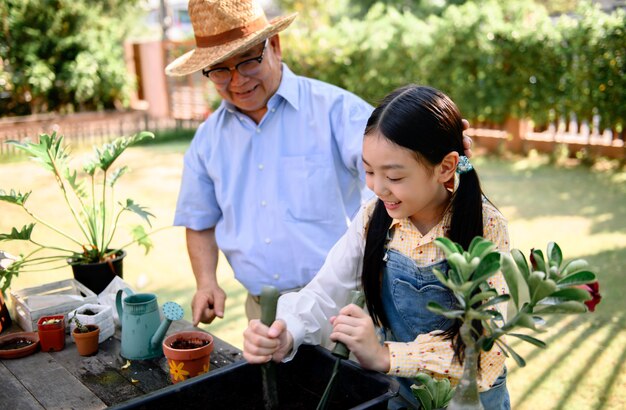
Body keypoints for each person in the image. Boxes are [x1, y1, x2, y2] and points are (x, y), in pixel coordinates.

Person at [166, 0, 473, 325]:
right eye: (219, 69)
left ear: (275, 46)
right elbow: (199, 220)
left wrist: (438, 144)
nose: (237, 80)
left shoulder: (336, 110)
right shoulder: (207, 139)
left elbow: (401, 162)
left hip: (338, 304)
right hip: (262, 311)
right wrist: (206, 282)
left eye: (247, 61)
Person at [243, 85, 510, 409]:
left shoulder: (485, 227)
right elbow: (327, 292)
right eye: (369, 171)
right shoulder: (374, 218)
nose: (378, 188)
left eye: (394, 177)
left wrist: (385, 355)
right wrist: (286, 332)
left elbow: (486, 352)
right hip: (398, 396)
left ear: (446, 167)